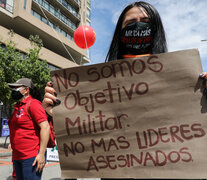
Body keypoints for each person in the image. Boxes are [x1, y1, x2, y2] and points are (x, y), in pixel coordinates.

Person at [8, 78, 50, 180]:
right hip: (17, 156)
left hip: (31, 157)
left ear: (26, 90)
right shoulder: (17, 106)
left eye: (16, 88)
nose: (13, 90)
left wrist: (41, 154)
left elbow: (45, 127)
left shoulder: (33, 104)